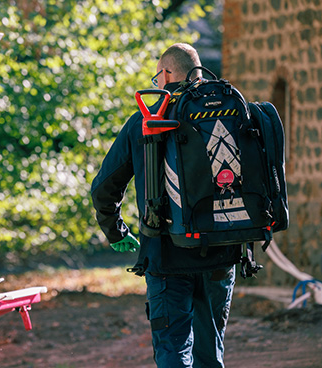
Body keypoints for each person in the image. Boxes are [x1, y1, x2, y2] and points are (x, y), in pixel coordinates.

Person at [91, 43, 242, 368]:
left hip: (166, 256)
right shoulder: (229, 113)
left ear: (166, 73)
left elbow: (104, 187)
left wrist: (116, 231)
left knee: (173, 354)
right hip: (221, 252)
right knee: (209, 355)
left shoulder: (145, 120)